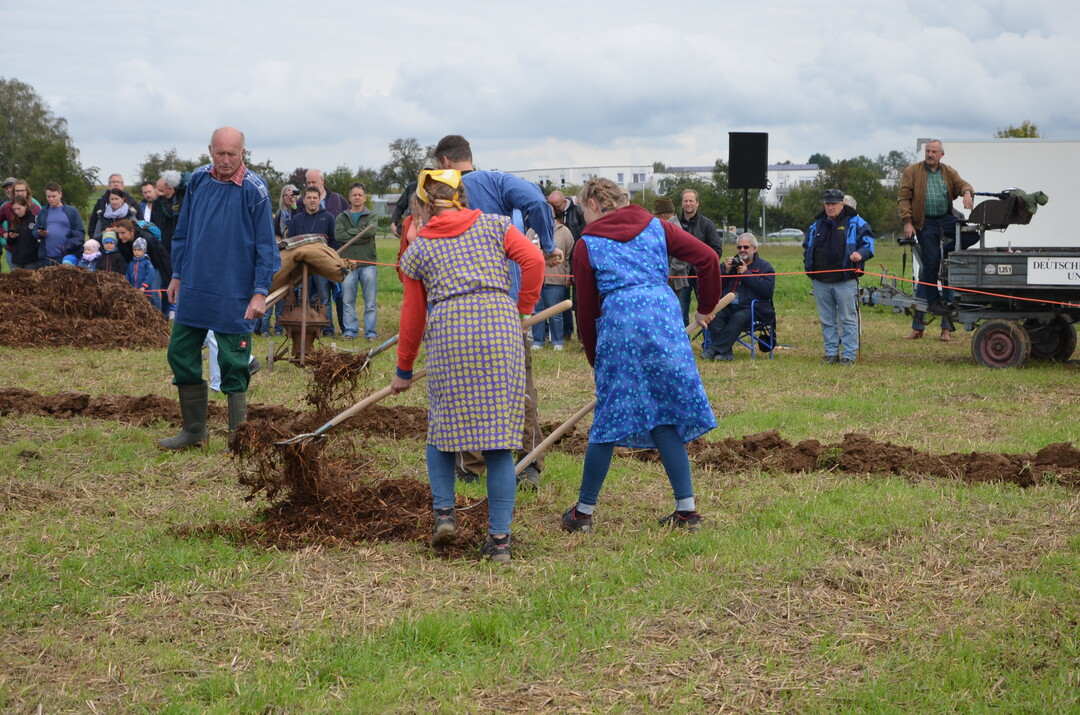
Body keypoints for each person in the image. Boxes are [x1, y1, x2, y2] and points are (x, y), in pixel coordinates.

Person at [390, 168, 544, 563]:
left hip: (450, 334)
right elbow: (534, 260)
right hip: (499, 330)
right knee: (499, 441)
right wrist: (522, 307)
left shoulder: (419, 248)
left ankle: (445, 514)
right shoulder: (495, 225)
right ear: (461, 197)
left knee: (441, 430)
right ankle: (500, 541)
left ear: (423, 205)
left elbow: (412, 315)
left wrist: (404, 369)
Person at [560, 177, 721, 535]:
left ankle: (583, 513)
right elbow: (709, 258)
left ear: (595, 204)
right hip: (663, 320)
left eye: (583, 209)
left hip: (620, 328)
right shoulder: (657, 226)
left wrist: (593, 355)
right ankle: (687, 511)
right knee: (665, 413)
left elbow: (586, 312)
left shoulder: (587, 244)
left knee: (608, 416)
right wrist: (705, 307)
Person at [159, 126, 280, 449]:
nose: (226, 160)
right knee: (180, 353)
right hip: (196, 286)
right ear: (210, 150)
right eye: (220, 153)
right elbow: (183, 231)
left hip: (234, 291)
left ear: (243, 153)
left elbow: (267, 247)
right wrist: (177, 275)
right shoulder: (198, 181)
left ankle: (237, 437)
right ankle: (194, 430)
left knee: (232, 362)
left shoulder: (255, 189)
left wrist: (260, 291)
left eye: (232, 154)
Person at [898, 139, 974, 341]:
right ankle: (932, 304)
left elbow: (963, 184)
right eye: (928, 151)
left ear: (941, 154)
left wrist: (967, 193)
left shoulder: (948, 172)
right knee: (929, 265)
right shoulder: (912, 171)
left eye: (934, 151)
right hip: (925, 222)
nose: (930, 154)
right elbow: (903, 197)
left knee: (972, 233)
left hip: (945, 218)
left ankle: (947, 253)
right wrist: (907, 221)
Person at [803, 188, 874, 365]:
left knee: (848, 318)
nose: (830, 207)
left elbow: (869, 245)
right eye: (827, 203)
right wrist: (808, 264)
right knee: (827, 320)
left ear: (842, 204)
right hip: (820, 280)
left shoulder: (856, 222)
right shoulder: (816, 224)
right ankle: (831, 353)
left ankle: (849, 355)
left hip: (845, 280)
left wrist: (860, 254)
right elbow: (807, 246)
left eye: (834, 203)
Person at [702, 233, 775, 361]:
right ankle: (726, 353)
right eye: (739, 247)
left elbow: (767, 292)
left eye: (746, 247)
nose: (742, 250)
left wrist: (747, 274)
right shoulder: (730, 265)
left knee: (739, 317)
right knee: (715, 315)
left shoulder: (765, 267)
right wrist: (725, 270)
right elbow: (714, 285)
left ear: (755, 249)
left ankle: (714, 350)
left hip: (753, 308)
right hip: (728, 305)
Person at [288, 186, 338, 336]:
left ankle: (328, 329)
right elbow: (289, 242)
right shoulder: (297, 220)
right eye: (309, 198)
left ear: (319, 200)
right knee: (304, 297)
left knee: (324, 298)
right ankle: (306, 327)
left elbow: (334, 242)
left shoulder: (328, 218)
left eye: (315, 198)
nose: (312, 200)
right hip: (302, 266)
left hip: (321, 266)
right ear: (303, 200)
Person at [334, 182, 378, 340]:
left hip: (368, 264)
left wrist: (351, 234)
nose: (357, 197)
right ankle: (350, 331)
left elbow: (371, 231)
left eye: (360, 195)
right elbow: (339, 236)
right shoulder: (341, 217)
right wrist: (361, 235)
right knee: (347, 300)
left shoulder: (371, 215)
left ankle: (371, 333)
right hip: (348, 264)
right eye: (354, 195)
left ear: (365, 198)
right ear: (350, 198)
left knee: (370, 302)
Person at [529, 204, 574, 350]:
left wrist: (567, 273)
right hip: (535, 278)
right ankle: (538, 341)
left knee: (556, 311)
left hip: (556, 277)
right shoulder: (531, 230)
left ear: (555, 213)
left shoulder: (564, 231)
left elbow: (568, 254)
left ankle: (557, 341)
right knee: (537, 311)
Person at [547, 189, 586, 339]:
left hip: (576, 257)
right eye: (552, 206)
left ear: (564, 202)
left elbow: (583, 232)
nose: (555, 209)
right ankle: (564, 333)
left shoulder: (579, 212)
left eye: (557, 206)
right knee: (561, 298)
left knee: (577, 300)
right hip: (559, 263)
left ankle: (577, 334)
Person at [36, 182, 86, 267]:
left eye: (53, 196)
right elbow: (34, 231)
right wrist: (39, 233)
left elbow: (80, 233)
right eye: (48, 196)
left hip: (66, 257)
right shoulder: (43, 212)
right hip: (46, 258)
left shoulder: (72, 212)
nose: (51, 199)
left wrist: (69, 240)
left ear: (60, 194)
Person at [4, 196, 40, 270]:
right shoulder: (12, 221)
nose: (17, 211)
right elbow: (9, 242)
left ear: (26, 206)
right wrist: (11, 237)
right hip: (16, 261)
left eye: (19, 209)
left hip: (31, 261)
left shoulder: (35, 219)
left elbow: (39, 238)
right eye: (14, 209)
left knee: (31, 281)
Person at [126, 237, 161, 309]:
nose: (136, 252)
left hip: (145, 293)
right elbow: (127, 275)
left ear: (144, 250)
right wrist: (127, 286)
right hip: (134, 292)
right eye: (135, 250)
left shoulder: (147, 263)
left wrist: (143, 286)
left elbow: (150, 275)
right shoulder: (131, 264)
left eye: (139, 250)